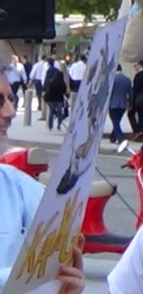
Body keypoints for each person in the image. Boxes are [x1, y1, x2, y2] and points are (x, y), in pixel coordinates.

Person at [0, 79, 88, 293]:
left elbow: (58, 263)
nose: (10, 113)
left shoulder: (22, 189)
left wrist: (65, 285)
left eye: (11, 99)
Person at [109, 64, 132, 143]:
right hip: (123, 104)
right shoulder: (127, 79)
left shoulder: (112, 79)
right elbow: (130, 93)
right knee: (117, 121)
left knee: (115, 121)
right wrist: (130, 104)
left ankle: (120, 137)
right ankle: (113, 137)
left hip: (112, 104)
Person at [129, 61, 143, 141]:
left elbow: (135, 89)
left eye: (135, 65)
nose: (134, 67)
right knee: (142, 116)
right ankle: (141, 132)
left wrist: (131, 102)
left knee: (130, 114)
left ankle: (137, 131)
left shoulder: (138, 75)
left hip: (138, 99)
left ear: (140, 65)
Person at [43, 59, 68, 131]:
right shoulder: (62, 84)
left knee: (52, 111)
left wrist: (44, 90)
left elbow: (47, 83)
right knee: (60, 112)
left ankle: (50, 125)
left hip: (51, 99)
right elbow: (64, 91)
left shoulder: (52, 83)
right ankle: (59, 125)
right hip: (59, 99)